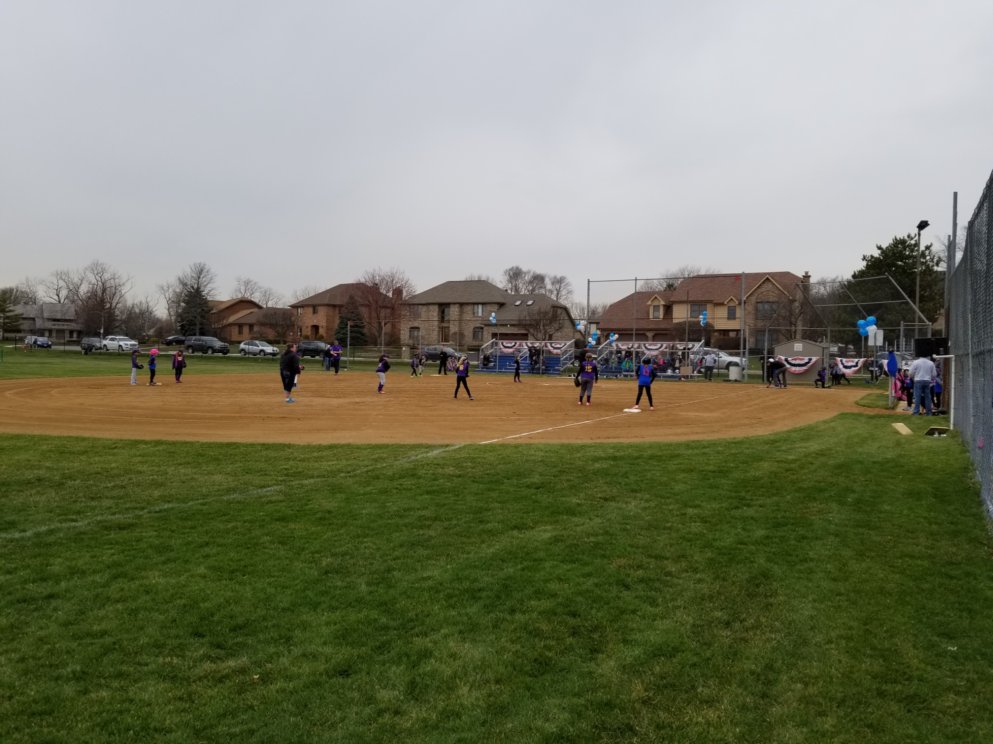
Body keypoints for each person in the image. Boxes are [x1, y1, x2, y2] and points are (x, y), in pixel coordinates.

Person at [909, 351, 937, 415]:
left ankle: (916, 412)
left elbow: (910, 373)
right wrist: (929, 377)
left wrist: (913, 378)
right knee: (928, 397)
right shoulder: (931, 363)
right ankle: (928, 412)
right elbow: (934, 374)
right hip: (927, 381)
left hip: (918, 380)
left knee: (917, 396)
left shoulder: (916, 362)